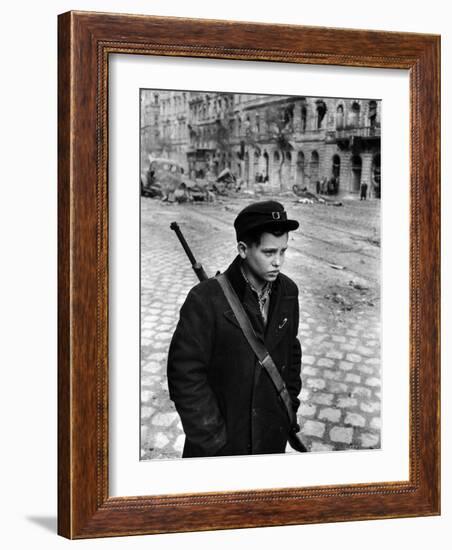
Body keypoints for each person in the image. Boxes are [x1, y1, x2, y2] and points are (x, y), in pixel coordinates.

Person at [167, 201, 302, 458]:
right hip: (224, 446)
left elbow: (291, 352)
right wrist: (213, 439)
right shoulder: (205, 299)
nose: (278, 262)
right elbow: (184, 374)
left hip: (270, 440)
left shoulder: (288, 292)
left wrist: (289, 405)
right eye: (269, 252)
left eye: (283, 251)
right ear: (243, 249)